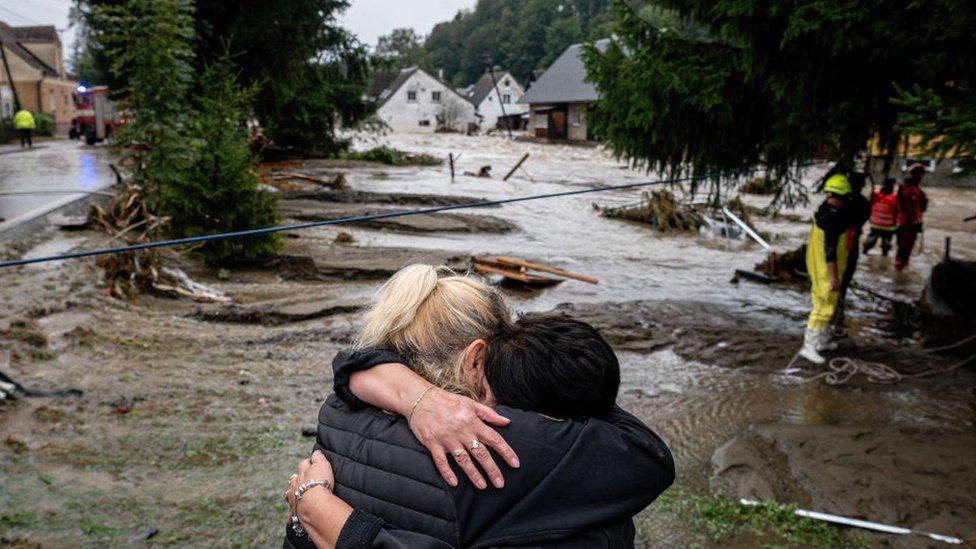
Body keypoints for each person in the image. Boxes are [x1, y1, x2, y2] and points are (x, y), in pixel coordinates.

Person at [284, 265, 674, 548]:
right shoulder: (511, 444)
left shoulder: (339, 409)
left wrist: (316, 511)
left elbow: (351, 362)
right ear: (475, 359)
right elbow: (649, 457)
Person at [798, 174, 853, 364]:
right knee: (824, 307)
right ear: (844, 196)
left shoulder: (824, 211)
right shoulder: (833, 220)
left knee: (824, 302)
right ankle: (809, 346)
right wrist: (833, 276)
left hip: (817, 265)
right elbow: (830, 250)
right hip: (825, 269)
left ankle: (820, 341)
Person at [895, 163, 929, 271]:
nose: (922, 177)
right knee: (904, 248)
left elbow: (919, 208)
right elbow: (906, 207)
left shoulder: (915, 188)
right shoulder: (908, 188)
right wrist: (913, 222)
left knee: (906, 249)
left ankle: (902, 267)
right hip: (906, 223)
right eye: (921, 175)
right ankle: (899, 270)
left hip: (910, 222)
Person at [862, 177, 900, 257]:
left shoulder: (876, 195)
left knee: (869, 244)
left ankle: (864, 252)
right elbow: (898, 212)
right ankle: (884, 255)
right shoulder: (894, 198)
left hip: (874, 225)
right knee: (886, 247)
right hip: (889, 227)